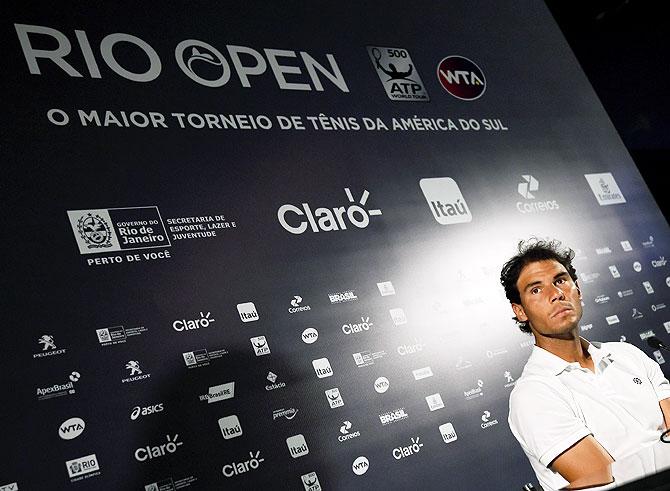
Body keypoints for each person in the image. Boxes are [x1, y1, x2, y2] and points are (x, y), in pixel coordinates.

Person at [500, 238, 670, 490]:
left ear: (577, 290)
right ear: (520, 311)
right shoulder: (532, 393)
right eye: (536, 289)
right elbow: (608, 479)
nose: (556, 294)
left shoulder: (628, 354)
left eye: (560, 281)